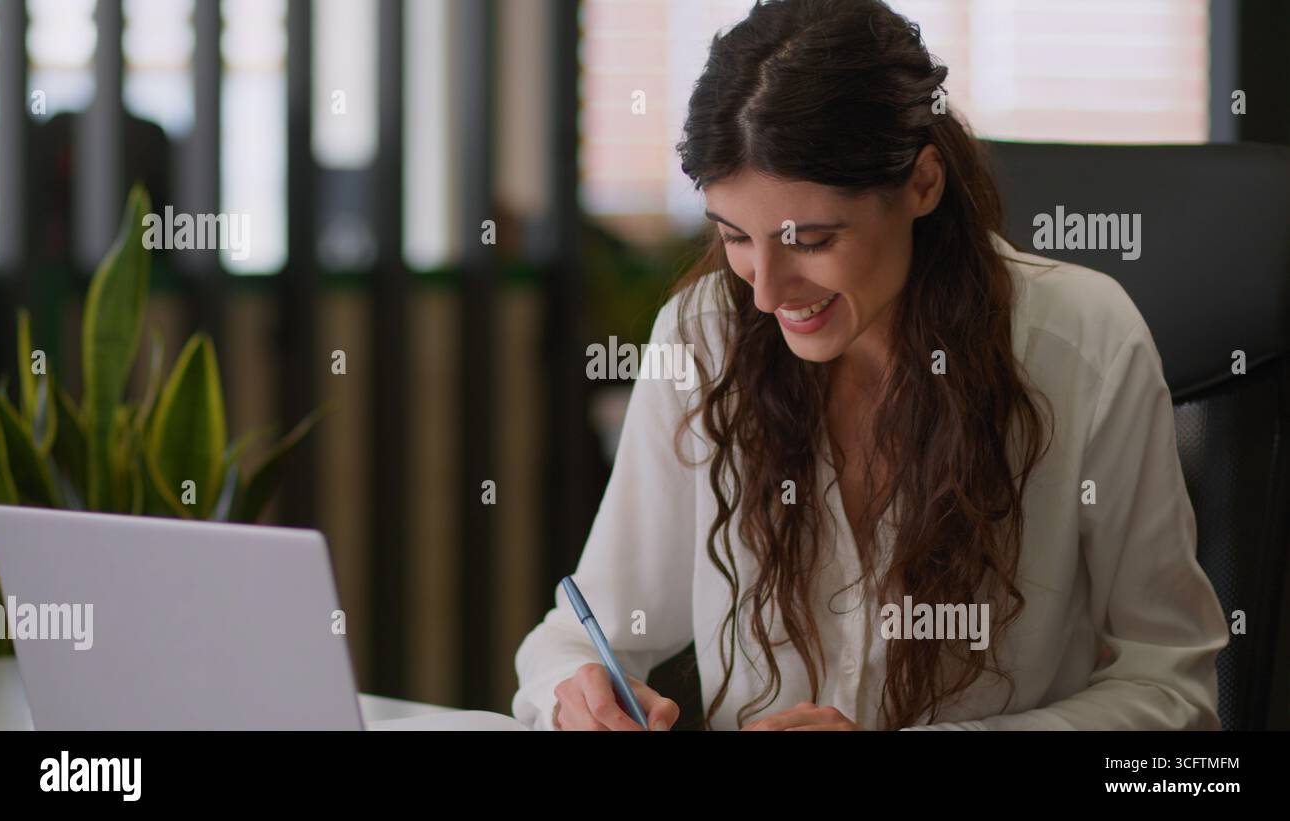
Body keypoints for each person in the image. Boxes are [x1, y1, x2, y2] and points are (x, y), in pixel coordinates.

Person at [513, 0, 1228, 731]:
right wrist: (581, 693)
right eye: (734, 237)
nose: (763, 292)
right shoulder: (703, 338)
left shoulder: (1086, 343)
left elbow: (1172, 691)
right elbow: (582, 632)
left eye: (812, 241)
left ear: (922, 184)